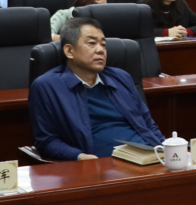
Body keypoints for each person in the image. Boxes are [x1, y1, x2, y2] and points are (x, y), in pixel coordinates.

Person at [28, 19, 165, 160]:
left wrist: (166, 148)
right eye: (91, 43)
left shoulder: (121, 78)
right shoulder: (47, 86)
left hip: (148, 158)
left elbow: (148, 124)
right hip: (99, 164)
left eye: (103, 45)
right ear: (69, 51)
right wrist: (79, 157)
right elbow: (46, 141)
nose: (100, 50)